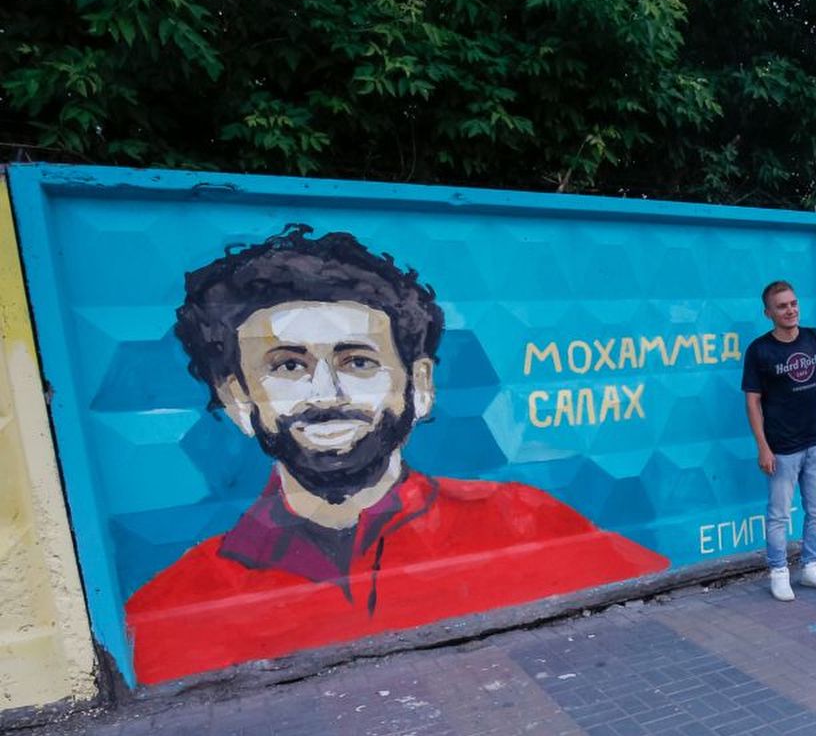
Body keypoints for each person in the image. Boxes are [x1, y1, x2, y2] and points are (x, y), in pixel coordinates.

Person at [126, 225, 668, 684]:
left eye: (358, 362)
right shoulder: (168, 606)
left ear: (421, 385)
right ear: (238, 399)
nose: (327, 395)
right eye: (289, 366)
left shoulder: (526, 520)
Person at [741, 280, 816, 601]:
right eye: (782, 306)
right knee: (779, 514)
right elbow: (752, 402)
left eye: (793, 304)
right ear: (768, 313)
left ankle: (811, 567)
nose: (791, 310)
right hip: (782, 448)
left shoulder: (815, 338)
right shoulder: (760, 350)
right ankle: (778, 572)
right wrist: (763, 447)